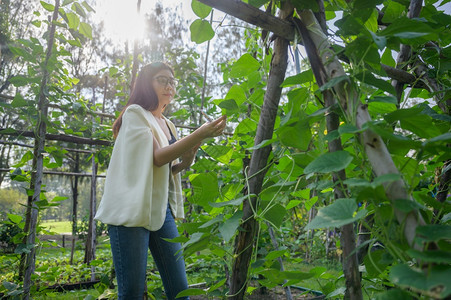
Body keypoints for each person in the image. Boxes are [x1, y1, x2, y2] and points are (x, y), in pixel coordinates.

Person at [95, 62, 227, 300]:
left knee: (180, 290)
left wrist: (186, 162)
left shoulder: (168, 124)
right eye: (162, 79)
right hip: (130, 211)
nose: (169, 85)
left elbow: (163, 171)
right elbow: (157, 158)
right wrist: (200, 133)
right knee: (132, 293)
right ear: (147, 83)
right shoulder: (136, 113)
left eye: (172, 81)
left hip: (160, 209)